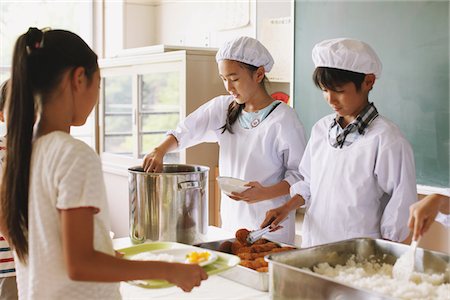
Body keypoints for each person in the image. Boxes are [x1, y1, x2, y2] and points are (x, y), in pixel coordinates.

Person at [0, 27, 207, 300]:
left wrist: (101, 249)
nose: (97, 98)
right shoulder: (72, 154)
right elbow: (80, 265)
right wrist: (169, 270)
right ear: (78, 78)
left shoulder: (21, 153)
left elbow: (31, 237)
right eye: (98, 85)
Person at [142, 36, 307, 244]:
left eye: (234, 78)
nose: (228, 86)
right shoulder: (223, 107)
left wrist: (264, 193)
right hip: (232, 223)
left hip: (271, 228)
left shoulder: (284, 119)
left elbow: (300, 176)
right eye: (223, 78)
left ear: (259, 74)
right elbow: (186, 130)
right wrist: (160, 150)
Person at [261, 38, 418, 247]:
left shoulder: (386, 139)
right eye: (325, 90)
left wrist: (384, 254)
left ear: (368, 81)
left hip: (358, 253)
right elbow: (308, 182)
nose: (331, 100)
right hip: (314, 244)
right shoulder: (321, 129)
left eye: (339, 91)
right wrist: (286, 207)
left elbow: (401, 202)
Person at [0, 80, 18, 300]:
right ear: (2, 115)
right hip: (9, 262)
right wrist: (24, 253)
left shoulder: (41, 150)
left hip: (38, 260)